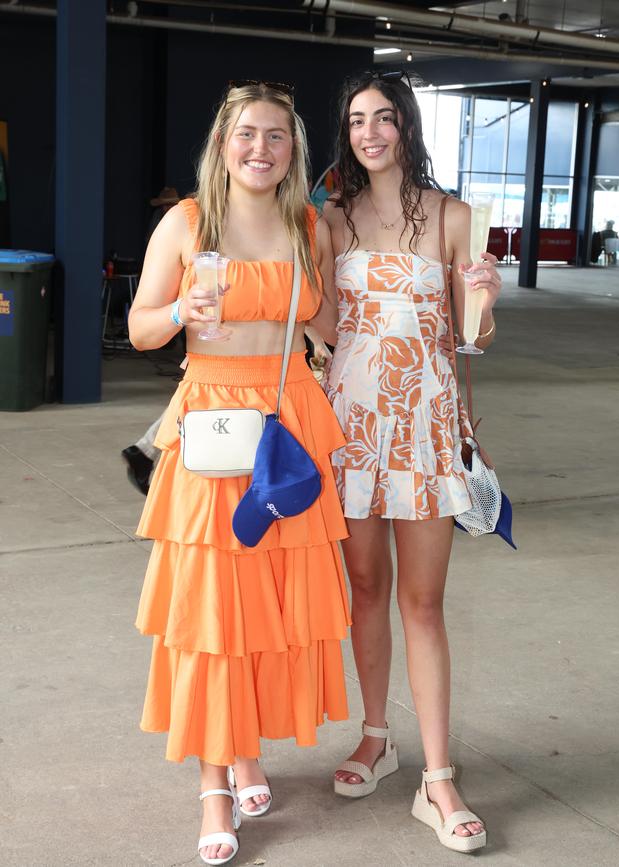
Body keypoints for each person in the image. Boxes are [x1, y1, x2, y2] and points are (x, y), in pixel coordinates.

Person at [128, 82, 350, 866]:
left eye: (278, 137)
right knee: (216, 610)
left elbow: (326, 324)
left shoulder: (307, 222)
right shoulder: (188, 221)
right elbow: (141, 328)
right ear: (223, 143)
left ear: (295, 151)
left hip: (290, 418)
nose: (262, 150)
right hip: (216, 426)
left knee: (272, 607)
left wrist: (326, 300)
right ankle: (216, 782)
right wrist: (184, 312)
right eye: (248, 135)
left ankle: (248, 747)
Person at [321, 71, 502, 854]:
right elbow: (324, 328)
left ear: (407, 126)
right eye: (357, 119)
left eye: (384, 117)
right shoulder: (332, 220)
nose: (370, 132)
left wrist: (487, 299)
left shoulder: (455, 215)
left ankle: (437, 777)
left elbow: (473, 337)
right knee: (366, 588)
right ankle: (374, 736)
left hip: (425, 428)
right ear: (347, 132)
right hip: (353, 428)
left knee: (421, 603)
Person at [121, 187, 181, 495]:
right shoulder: (175, 223)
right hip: (182, 308)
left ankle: (144, 450)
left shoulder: (163, 221)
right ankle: (144, 450)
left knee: (187, 403)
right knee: (190, 404)